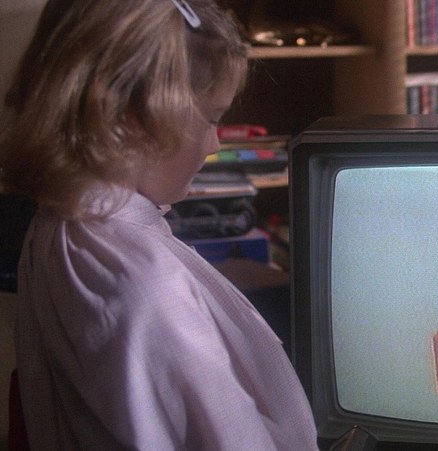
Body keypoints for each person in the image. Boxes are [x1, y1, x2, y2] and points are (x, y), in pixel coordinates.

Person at [0, 1, 319, 449]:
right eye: (211, 120)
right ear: (134, 118)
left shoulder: (60, 224)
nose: (214, 145)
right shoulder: (146, 287)